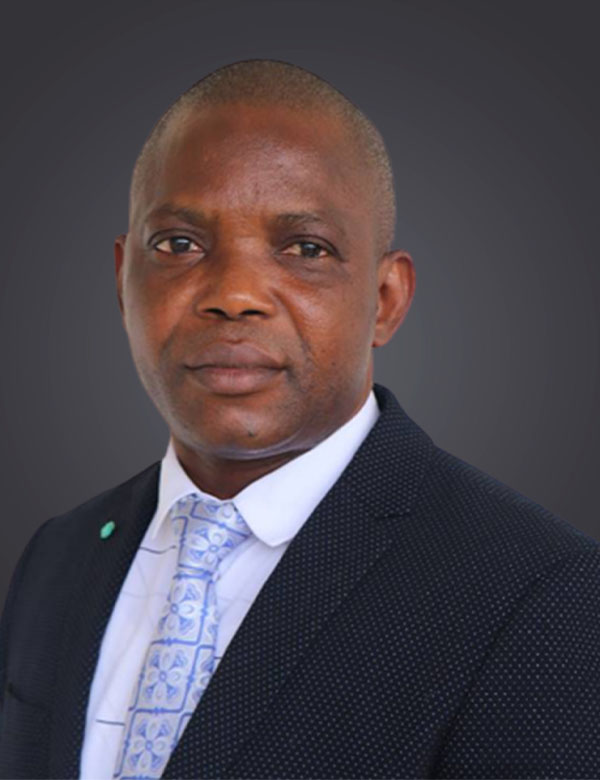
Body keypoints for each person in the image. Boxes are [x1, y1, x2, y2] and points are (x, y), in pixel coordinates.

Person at [0, 59, 598, 780]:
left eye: (305, 249)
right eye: (179, 244)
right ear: (124, 281)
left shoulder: (540, 593)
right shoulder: (59, 555)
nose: (234, 294)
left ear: (385, 300)